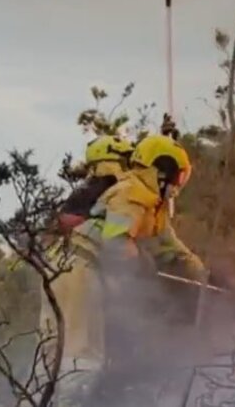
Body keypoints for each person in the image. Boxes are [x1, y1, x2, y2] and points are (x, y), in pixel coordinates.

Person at [38, 134, 134, 406]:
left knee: (50, 351)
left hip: (53, 271)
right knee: (82, 351)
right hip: (81, 270)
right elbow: (117, 241)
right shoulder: (119, 191)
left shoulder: (80, 195)